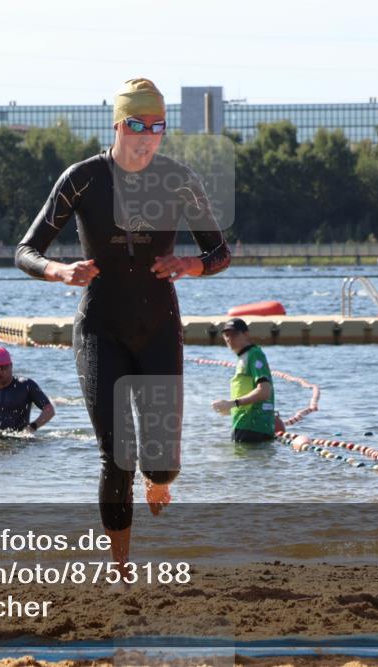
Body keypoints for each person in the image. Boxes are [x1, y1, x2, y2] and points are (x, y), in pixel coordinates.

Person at [14, 77, 230, 577]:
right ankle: (121, 569)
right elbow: (25, 250)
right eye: (138, 125)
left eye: (157, 127)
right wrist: (58, 271)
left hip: (159, 327)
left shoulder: (178, 178)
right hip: (99, 329)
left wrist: (190, 265)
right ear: (118, 125)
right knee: (117, 456)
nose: (147, 136)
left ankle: (161, 479)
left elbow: (219, 251)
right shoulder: (82, 178)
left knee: (161, 464)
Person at [211, 318, 280, 443]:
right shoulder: (243, 357)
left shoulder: (254, 354)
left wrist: (232, 404)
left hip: (253, 427)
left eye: (235, 334)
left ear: (247, 334)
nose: (230, 338)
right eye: (226, 335)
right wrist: (230, 408)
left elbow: (264, 391)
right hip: (244, 424)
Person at [0, 347, 54, 434]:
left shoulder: (26, 386)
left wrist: (33, 426)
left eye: (3, 367)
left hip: (21, 443)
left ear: (11, 366)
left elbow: (49, 410)